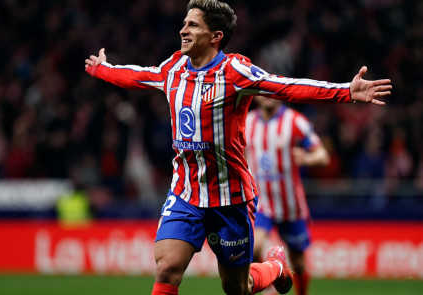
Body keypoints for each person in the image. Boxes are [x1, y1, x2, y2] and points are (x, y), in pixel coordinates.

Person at [84, 1, 391, 294]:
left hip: (230, 199)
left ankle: (273, 267)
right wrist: (102, 70)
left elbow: (286, 86)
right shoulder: (174, 67)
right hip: (185, 192)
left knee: (236, 288)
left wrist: (345, 92)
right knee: (167, 268)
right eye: (183, 23)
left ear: (215, 36)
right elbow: (140, 75)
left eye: (192, 25)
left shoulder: (235, 72)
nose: (183, 30)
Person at [245, 96, 330, 295]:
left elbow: (323, 156)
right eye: (263, 91)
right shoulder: (247, 121)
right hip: (261, 202)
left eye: (272, 91)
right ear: (256, 95)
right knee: (254, 247)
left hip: (290, 205)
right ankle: (271, 279)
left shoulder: (295, 121)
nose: (267, 96)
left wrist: (307, 157)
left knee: (298, 263)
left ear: (281, 94)